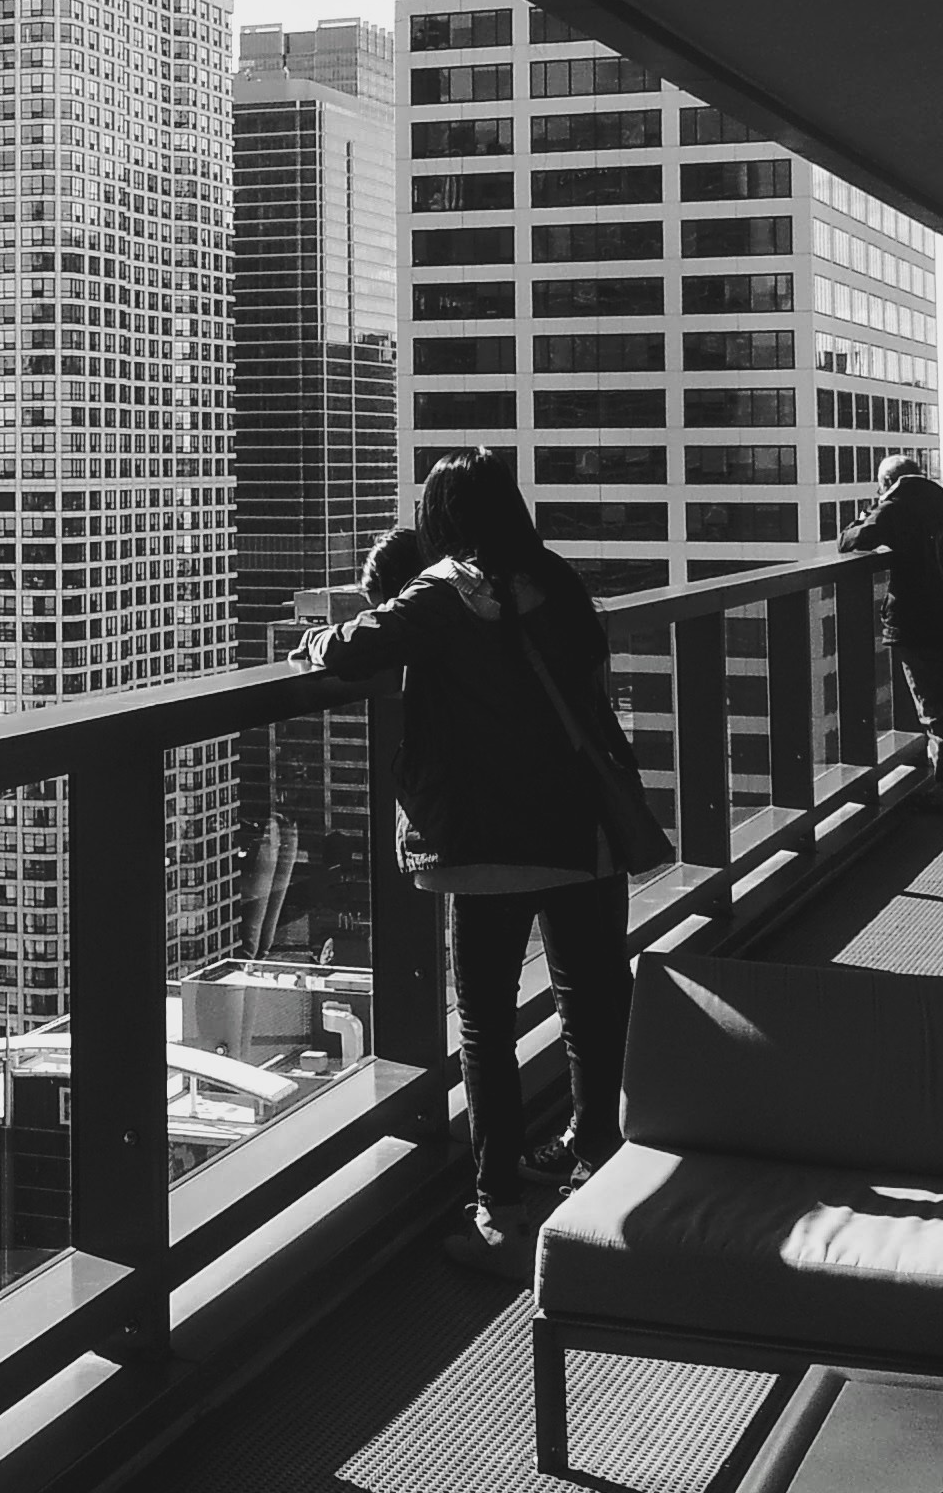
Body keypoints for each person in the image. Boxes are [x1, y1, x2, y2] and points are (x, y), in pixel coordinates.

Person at [295, 449, 667, 1276]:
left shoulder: (445, 593)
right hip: (583, 835)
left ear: (442, 520)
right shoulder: (559, 581)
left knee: (486, 1027)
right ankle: (600, 1161)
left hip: (488, 844)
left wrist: (319, 635)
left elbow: (351, 649)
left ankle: (499, 1208)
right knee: (593, 1004)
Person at [838, 453, 943, 805]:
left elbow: (849, 540)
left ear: (887, 483)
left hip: (915, 623)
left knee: (933, 709)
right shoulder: (939, 503)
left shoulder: (896, 507)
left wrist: (870, 510)